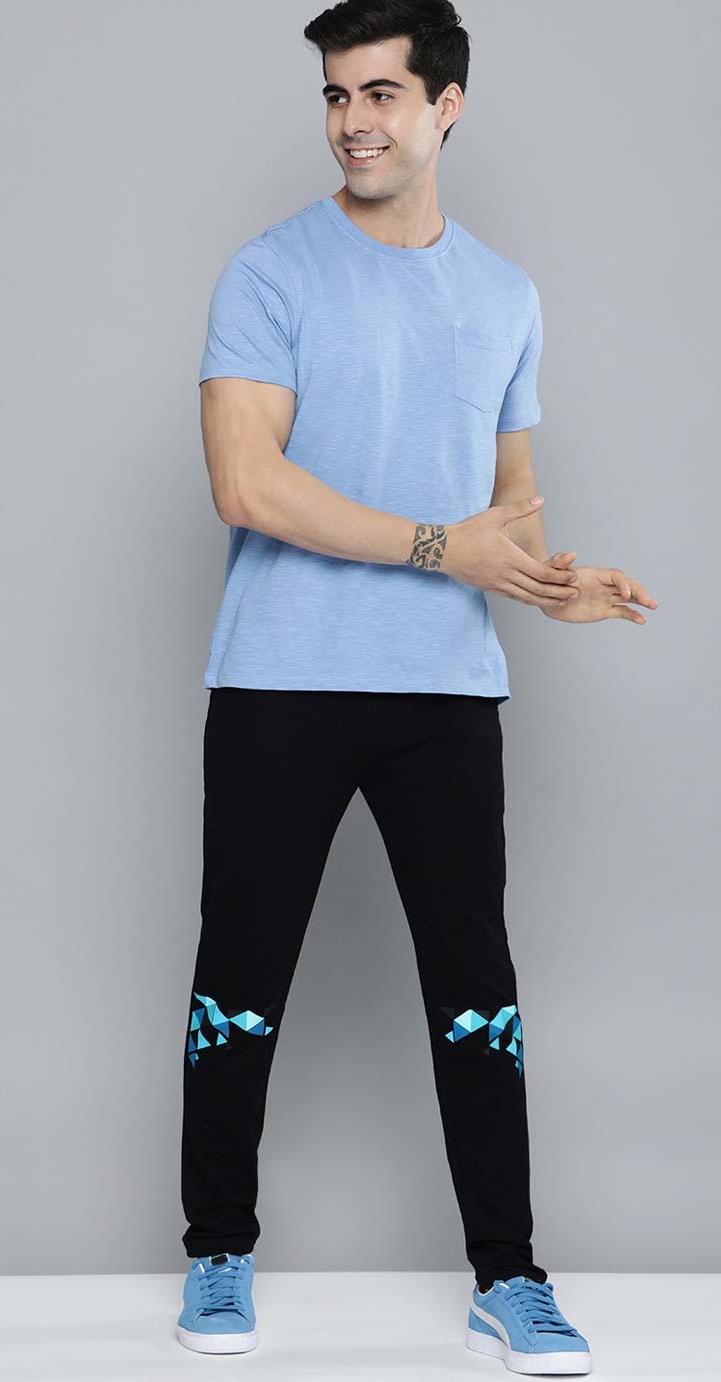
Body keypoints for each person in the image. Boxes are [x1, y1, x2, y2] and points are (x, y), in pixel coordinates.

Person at [176, 0, 657, 1372]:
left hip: (445, 691)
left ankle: (509, 1274)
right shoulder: (269, 273)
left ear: (447, 106)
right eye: (336, 96)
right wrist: (450, 548)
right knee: (240, 971)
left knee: (474, 984)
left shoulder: (504, 296)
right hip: (279, 680)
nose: (353, 122)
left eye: (380, 93)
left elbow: (508, 504)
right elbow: (247, 483)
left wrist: (550, 581)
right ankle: (218, 1248)